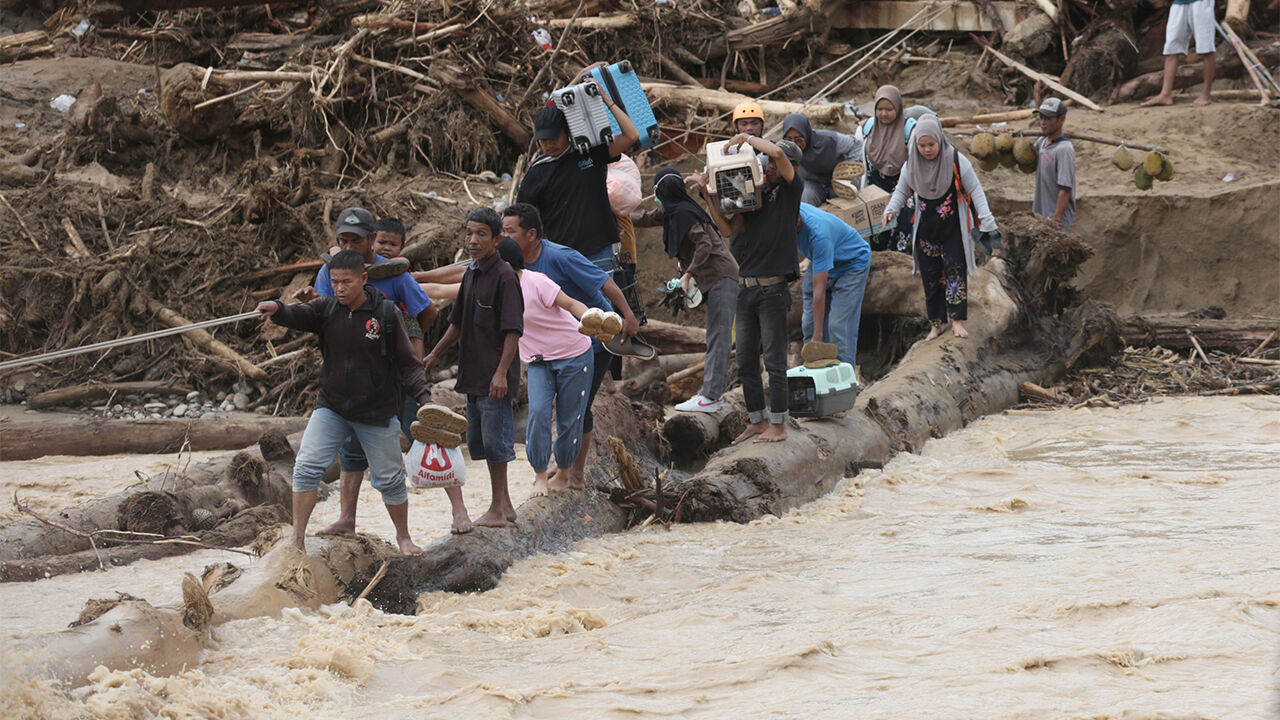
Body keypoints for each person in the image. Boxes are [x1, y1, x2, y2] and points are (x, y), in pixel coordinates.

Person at [290, 209, 472, 535]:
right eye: (344, 240)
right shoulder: (330, 272)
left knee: (430, 431)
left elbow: (427, 312)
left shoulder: (394, 275)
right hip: (353, 381)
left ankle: (459, 510)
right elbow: (324, 314)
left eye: (356, 240)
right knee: (351, 451)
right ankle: (347, 519)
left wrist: (405, 344)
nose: (349, 246)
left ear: (370, 240)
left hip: (398, 375)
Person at [256, 251, 429, 555]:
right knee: (306, 468)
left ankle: (403, 537)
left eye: (346, 282)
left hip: (376, 411)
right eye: (334, 282)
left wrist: (425, 400)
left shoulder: (386, 314)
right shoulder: (326, 309)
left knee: (389, 479)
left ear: (363, 279)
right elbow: (297, 315)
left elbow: (409, 363)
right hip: (333, 406)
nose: (339, 288)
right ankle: (297, 539)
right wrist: (278, 309)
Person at [501, 202, 639, 489]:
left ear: (531, 234)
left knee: (579, 408)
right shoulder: (511, 264)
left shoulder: (560, 257)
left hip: (594, 337)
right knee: (543, 409)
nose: (504, 237)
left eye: (509, 231)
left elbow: (604, 282)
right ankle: (559, 464)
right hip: (548, 344)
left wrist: (628, 315)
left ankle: (575, 473)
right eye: (502, 231)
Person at [693, 136, 803, 444]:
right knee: (745, 360)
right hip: (746, 289)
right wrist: (707, 194)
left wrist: (747, 139)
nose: (770, 166)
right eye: (768, 164)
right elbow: (728, 229)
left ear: (792, 168)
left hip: (772, 290)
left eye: (775, 164)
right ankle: (757, 420)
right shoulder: (758, 192)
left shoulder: (792, 190)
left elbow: (778, 151)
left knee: (775, 361)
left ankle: (779, 425)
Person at [423, 208, 523, 528]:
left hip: (494, 376)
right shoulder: (470, 274)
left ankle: (497, 509)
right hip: (472, 373)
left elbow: (513, 330)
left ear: (497, 239)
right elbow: (457, 324)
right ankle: (506, 505)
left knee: (496, 443)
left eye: (481, 234)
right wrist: (434, 355)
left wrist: (501, 373)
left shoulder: (505, 277)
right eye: (469, 233)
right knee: (479, 443)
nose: (473, 240)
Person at [494, 237, 596, 497]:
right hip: (539, 360)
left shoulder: (536, 282)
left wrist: (591, 319)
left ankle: (563, 473)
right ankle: (540, 475)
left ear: (506, 265)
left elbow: (571, 304)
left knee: (569, 417)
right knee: (538, 412)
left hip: (574, 353)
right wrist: (413, 281)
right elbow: (455, 287)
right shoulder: (496, 288)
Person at [882, 115, 1000, 342]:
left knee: (955, 272)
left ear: (939, 139)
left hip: (952, 229)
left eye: (931, 144)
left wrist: (987, 219)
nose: (927, 150)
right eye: (922, 145)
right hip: (926, 232)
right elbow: (901, 191)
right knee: (930, 277)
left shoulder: (955, 160)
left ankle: (956, 320)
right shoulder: (911, 164)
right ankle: (936, 323)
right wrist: (891, 209)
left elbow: (975, 190)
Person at [633, 167, 740, 413]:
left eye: (657, 191)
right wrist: (617, 211)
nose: (656, 197)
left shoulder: (684, 213)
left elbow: (704, 245)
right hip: (713, 278)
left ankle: (711, 396)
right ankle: (711, 394)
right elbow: (646, 218)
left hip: (721, 275)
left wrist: (688, 274)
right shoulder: (673, 211)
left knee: (719, 336)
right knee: (715, 335)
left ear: (662, 190)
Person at [516, 90, 640, 282]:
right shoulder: (537, 171)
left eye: (554, 138)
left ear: (568, 132)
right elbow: (522, 215)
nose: (549, 145)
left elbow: (631, 135)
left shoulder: (591, 153)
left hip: (599, 251)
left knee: (601, 301)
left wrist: (606, 99)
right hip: (561, 256)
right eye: (543, 140)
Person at [796, 203, 871, 369]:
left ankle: (844, 376)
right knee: (809, 324)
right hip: (821, 258)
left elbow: (819, 293)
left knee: (838, 326)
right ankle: (815, 376)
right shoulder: (784, 212)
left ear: (797, 221)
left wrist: (818, 337)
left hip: (851, 263)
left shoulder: (819, 235)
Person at [860, 85, 916, 253]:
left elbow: (915, 165)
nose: (883, 114)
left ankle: (899, 258)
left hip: (903, 191)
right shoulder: (866, 128)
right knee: (877, 235)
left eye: (889, 109)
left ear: (898, 108)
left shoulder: (910, 131)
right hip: (874, 191)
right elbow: (860, 162)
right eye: (879, 109)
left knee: (903, 223)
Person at [1140, 0, 1217, 107]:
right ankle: (1165, 94)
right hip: (1179, 3)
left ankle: (1206, 95)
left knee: (1206, 47)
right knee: (1172, 48)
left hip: (1201, 2)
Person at [781, 113, 864, 206]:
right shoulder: (785, 149)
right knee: (805, 198)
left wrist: (850, 168)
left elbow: (855, 144)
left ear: (806, 135)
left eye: (799, 140)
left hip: (838, 181)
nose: (794, 145)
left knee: (846, 195)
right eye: (788, 140)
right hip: (813, 184)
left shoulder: (828, 140)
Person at [1031, 98, 1077, 230]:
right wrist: (1010, 137)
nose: (1043, 123)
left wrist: (1056, 220)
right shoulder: (1042, 142)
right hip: (1041, 215)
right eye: (1041, 118)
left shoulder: (1064, 150)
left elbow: (1065, 189)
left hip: (1055, 219)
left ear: (1061, 119)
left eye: (1048, 119)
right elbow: (1025, 160)